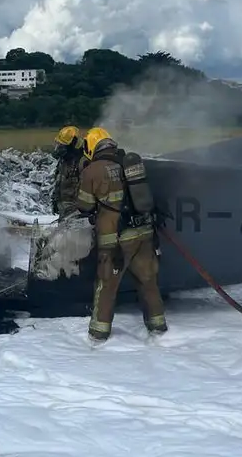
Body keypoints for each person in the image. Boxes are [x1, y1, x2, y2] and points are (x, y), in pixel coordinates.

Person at [75, 127, 167, 342]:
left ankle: (99, 333)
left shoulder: (94, 170)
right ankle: (158, 327)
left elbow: (84, 205)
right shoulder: (130, 162)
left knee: (106, 286)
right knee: (148, 282)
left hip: (115, 240)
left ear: (91, 147)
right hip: (144, 234)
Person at [51, 126, 86, 218]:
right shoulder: (64, 160)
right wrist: (55, 199)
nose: (59, 147)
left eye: (63, 145)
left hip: (75, 211)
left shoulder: (82, 162)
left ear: (72, 144)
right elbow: (59, 180)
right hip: (64, 209)